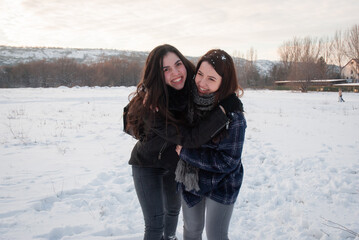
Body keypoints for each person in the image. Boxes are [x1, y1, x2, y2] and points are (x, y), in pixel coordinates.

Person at [124, 44, 242, 240]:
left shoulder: (193, 85)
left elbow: (215, 78)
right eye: (166, 69)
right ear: (157, 75)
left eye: (178, 64)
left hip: (174, 164)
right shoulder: (151, 101)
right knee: (154, 224)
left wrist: (227, 101)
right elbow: (189, 138)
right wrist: (143, 125)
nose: (176, 73)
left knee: (173, 212)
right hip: (147, 164)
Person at [174, 49, 246, 240]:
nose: (202, 83)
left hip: (223, 181)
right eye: (200, 74)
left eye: (211, 79)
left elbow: (228, 162)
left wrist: (187, 154)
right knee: (191, 230)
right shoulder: (187, 102)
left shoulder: (234, 115)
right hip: (192, 178)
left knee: (216, 235)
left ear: (224, 82)